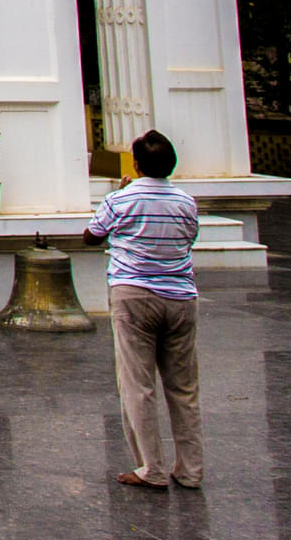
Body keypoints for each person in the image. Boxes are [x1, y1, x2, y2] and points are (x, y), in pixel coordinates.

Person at [86, 127, 204, 491]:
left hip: (134, 296)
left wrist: (121, 198)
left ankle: (150, 468)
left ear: (135, 165)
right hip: (181, 298)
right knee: (184, 389)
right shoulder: (186, 202)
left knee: (138, 386)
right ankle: (190, 471)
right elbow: (189, 238)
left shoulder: (120, 200)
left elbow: (91, 235)